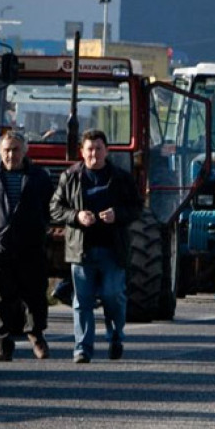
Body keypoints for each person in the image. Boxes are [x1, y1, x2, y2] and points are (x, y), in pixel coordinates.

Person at [49, 129, 142, 363]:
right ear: (82, 151)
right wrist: (77, 216)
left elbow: (136, 208)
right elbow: (55, 208)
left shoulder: (121, 178)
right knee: (82, 301)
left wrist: (117, 215)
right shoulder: (70, 177)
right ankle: (82, 348)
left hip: (112, 249)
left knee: (113, 295)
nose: (94, 154)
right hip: (81, 250)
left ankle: (116, 336)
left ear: (107, 151)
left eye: (98, 149)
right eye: (89, 149)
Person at [0, 133, 55, 361]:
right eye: (7, 150)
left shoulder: (39, 177)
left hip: (31, 245)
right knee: (0, 297)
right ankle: (1, 345)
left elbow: (50, 206)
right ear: (0, 152)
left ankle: (36, 337)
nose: (11, 155)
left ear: (24, 151)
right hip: (0, 246)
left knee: (35, 294)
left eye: (16, 150)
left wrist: (37, 227)